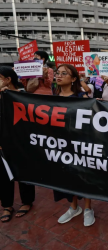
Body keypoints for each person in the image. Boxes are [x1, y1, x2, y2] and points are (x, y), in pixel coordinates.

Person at [52, 64, 95, 227]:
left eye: (64, 73)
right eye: (58, 73)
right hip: (60, 144)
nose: (59, 75)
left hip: (80, 145)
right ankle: (73, 207)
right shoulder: (52, 97)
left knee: (83, 176)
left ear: (74, 78)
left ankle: (88, 208)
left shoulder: (81, 97)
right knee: (67, 176)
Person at [0, 66, 35, 223]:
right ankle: (7, 205)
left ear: (8, 80)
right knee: (3, 175)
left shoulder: (22, 96)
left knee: (24, 172)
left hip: (21, 141)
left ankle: (26, 202)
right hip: (2, 143)